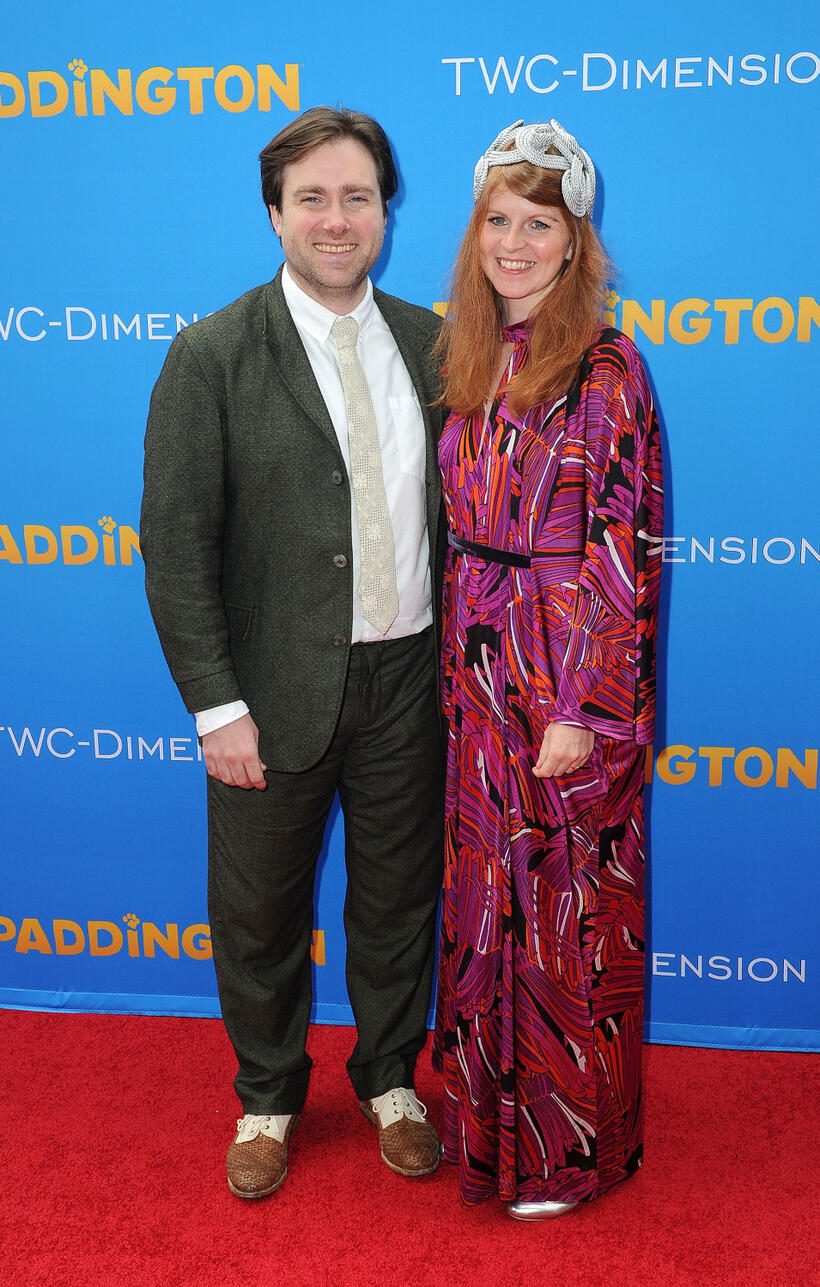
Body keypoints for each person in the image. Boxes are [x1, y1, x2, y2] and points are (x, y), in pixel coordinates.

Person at [141, 106, 446, 1199]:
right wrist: (215, 707)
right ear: (274, 213)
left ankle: (391, 1084)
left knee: (399, 898)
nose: (335, 218)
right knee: (260, 910)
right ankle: (267, 1097)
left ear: (385, 212)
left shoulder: (436, 342)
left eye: (356, 196)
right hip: (271, 692)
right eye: (311, 197)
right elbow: (175, 547)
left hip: (413, 679)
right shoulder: (212, 354)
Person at [432, 119, 663, 1219]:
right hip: (475, 681)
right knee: (487, 908)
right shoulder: (467, 353)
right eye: (497, 220)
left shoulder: (605, 365)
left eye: (539, 223)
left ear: (577, 244)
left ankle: (566, 1151)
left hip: (563, 682)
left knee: (566, 919)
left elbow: (620, 549)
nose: (514, 243)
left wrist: (581, 706)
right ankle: (483, 1133)